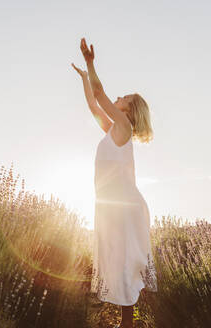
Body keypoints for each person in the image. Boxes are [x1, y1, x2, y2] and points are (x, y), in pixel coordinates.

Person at [71, 37, 157, 328]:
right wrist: (85, 78)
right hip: (112, 205)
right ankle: (126, 324)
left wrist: (90, 63)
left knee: (123, 269)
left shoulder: (123, 126)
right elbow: (94, 105)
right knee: (120, 267)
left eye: (124, 99)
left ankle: (127, 325)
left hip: (122, 206)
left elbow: (100, 92)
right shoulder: (113, 129)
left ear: (129, 111)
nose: (118, 98)